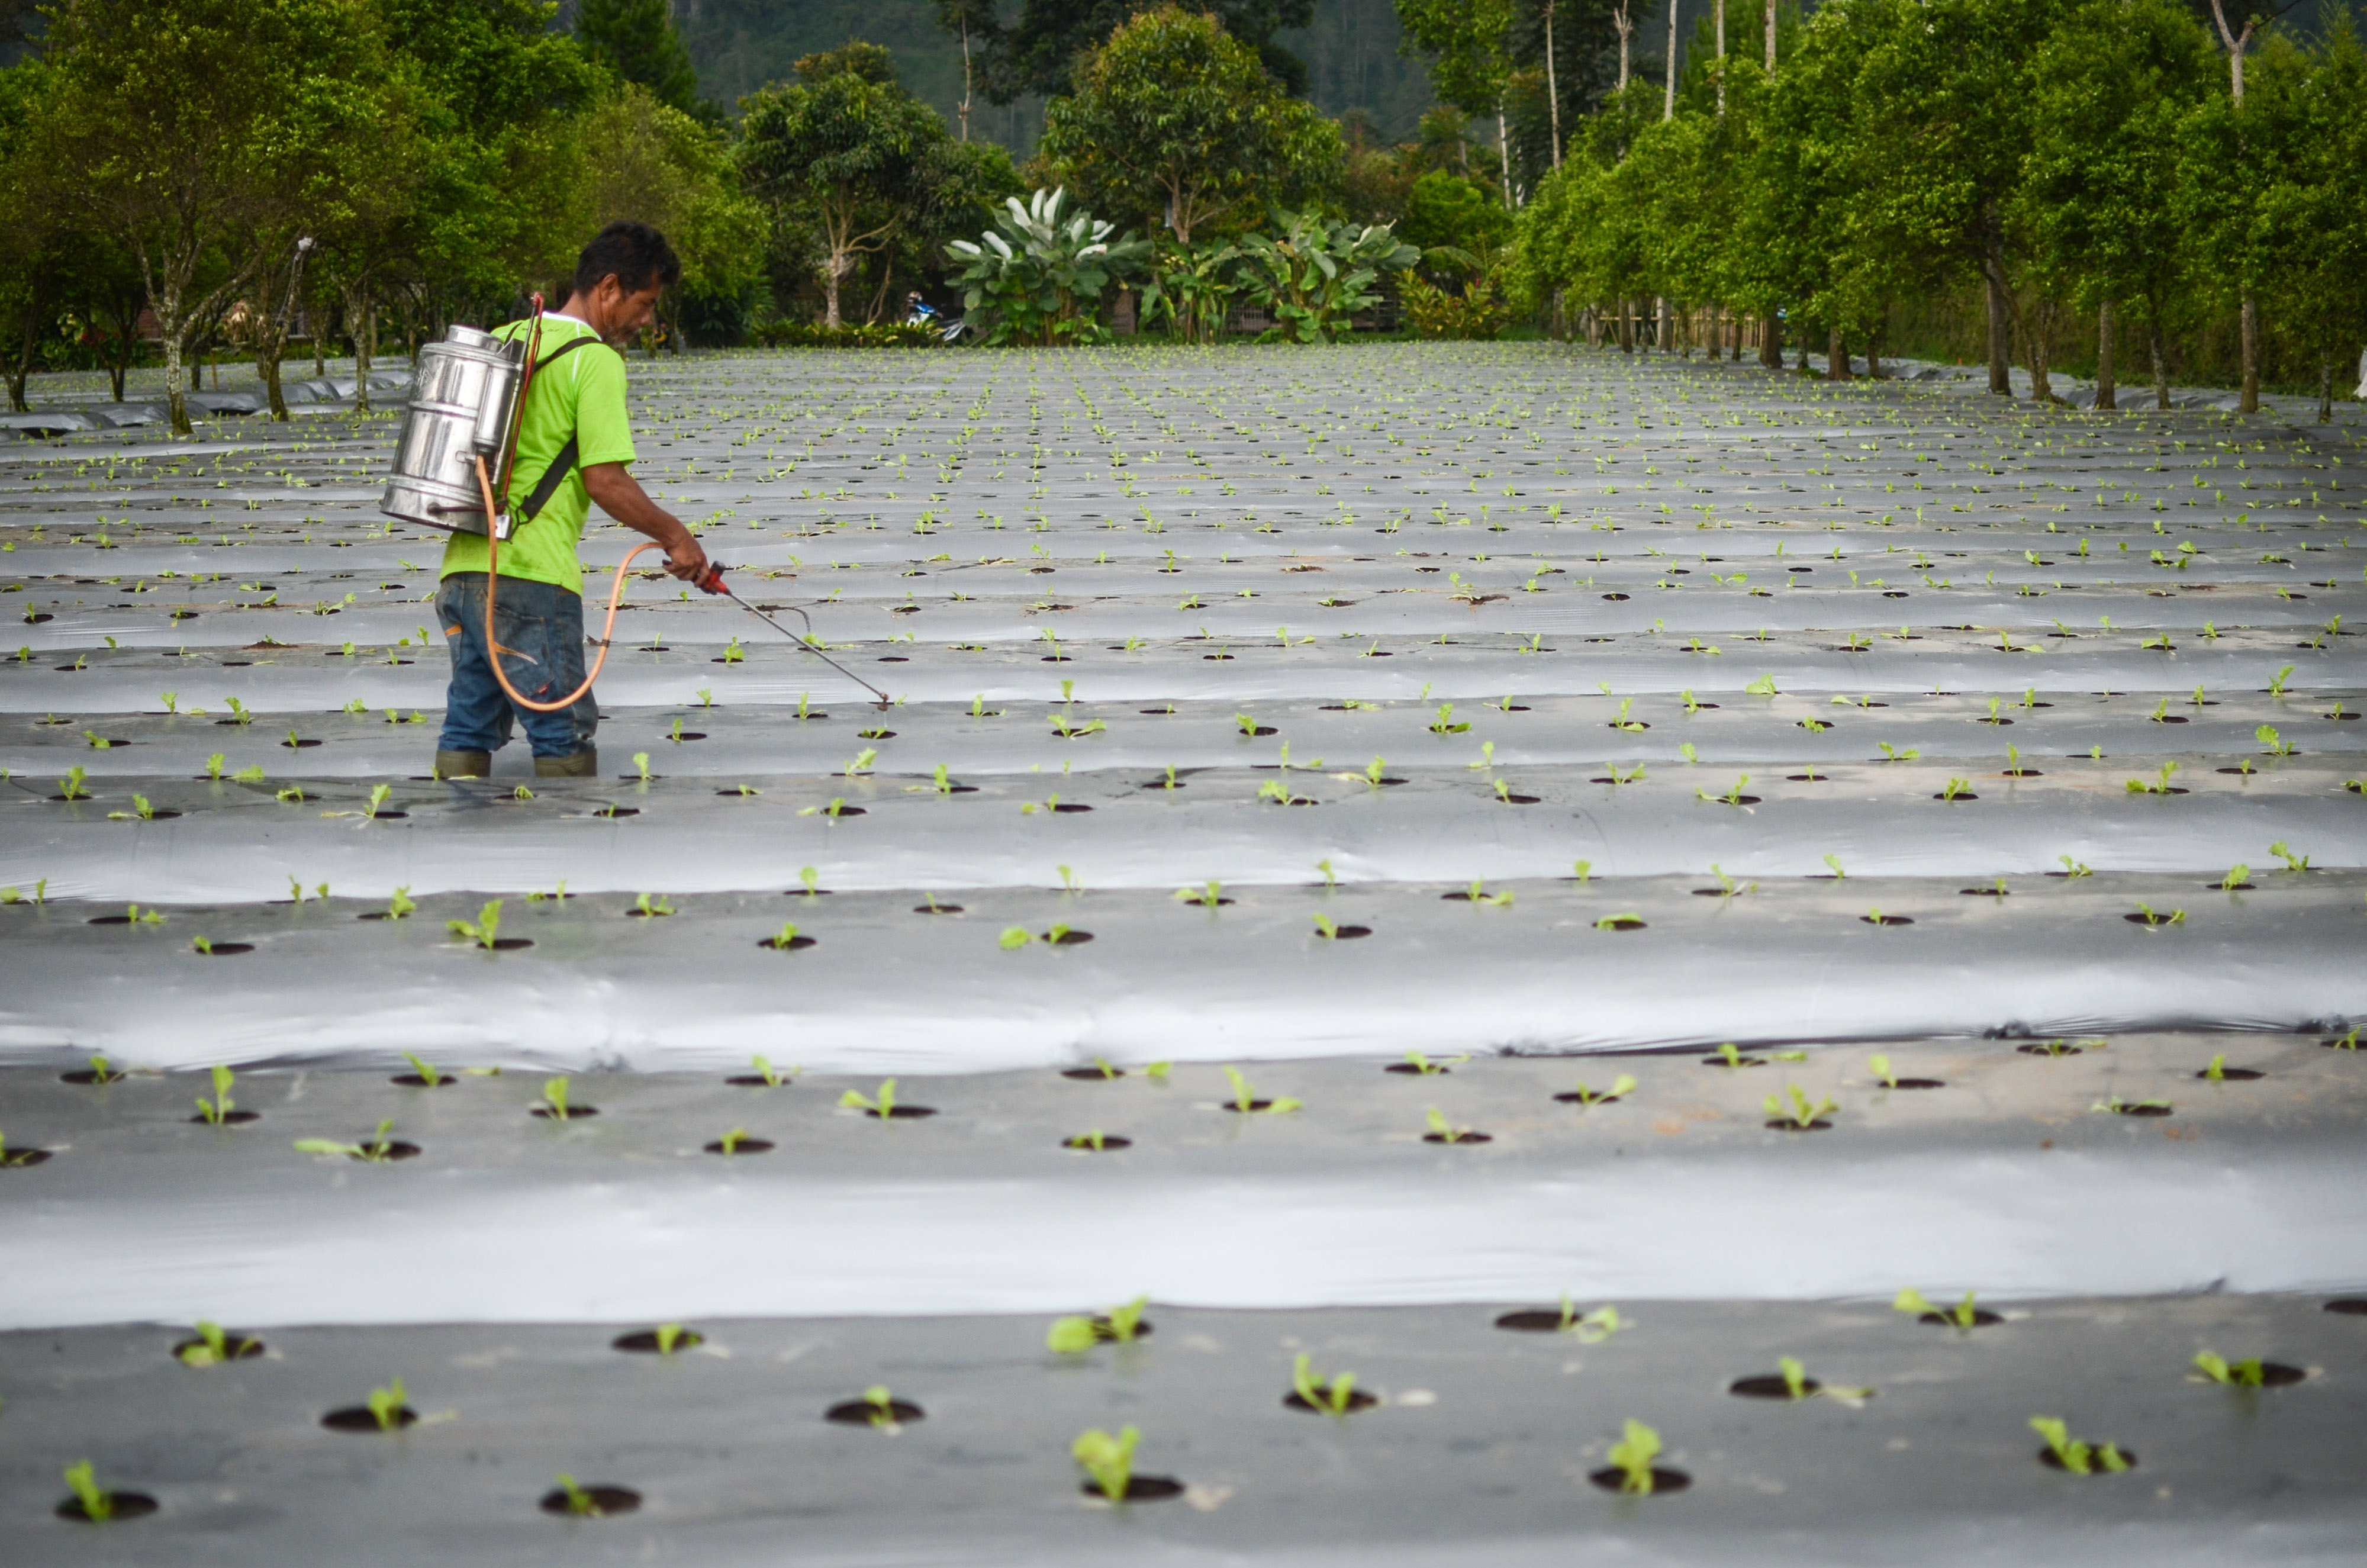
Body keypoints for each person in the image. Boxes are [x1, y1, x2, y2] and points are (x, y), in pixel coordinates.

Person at [431, 221, 710, 780]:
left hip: (464, 574)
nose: (649, 318)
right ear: (609, 288)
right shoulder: (596, 360)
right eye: (646, 302)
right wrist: (676, 537)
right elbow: (604, 479)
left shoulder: (509, 336)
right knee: (563, 733)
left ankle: (454, 852)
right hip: (531, 582)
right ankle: (575, 855)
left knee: (467, 726)